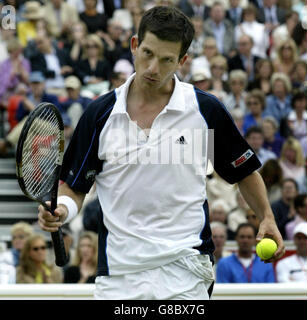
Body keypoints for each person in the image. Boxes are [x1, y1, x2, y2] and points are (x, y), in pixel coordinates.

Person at [38, 6, 284, 300]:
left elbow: (243, 172)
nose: (154, 68)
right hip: (119, 273)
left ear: (182, 61)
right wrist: (63, 210)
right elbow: (75, 187)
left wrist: (267, 217)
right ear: (134, 46)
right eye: (148, 54)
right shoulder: (99, 114)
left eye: (167, 60)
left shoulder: (205, 110)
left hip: (186, 268)